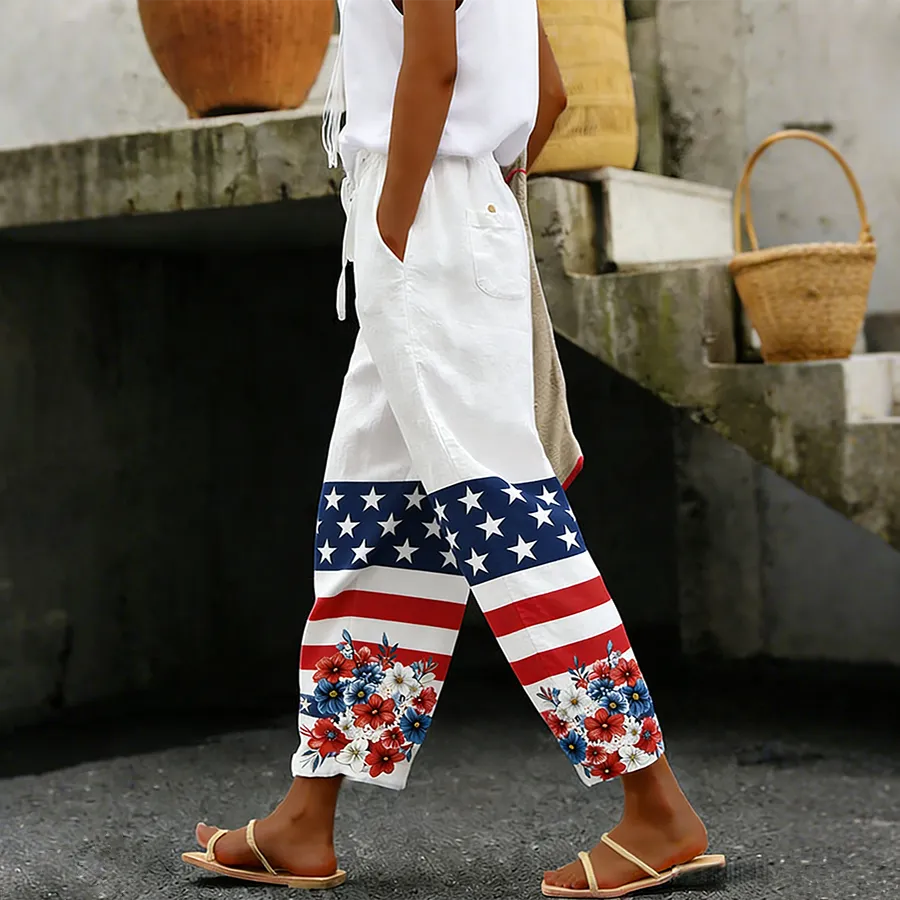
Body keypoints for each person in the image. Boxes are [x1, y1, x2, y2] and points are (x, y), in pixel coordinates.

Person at [181, 0, 725, 896]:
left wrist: (396, 226)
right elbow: (547, 90)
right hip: (451, 215)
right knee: (373, 528)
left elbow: (432, 65)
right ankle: (305, 817)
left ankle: (657, 807)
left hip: (420, 225)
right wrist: (470, 205)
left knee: (508, 525)